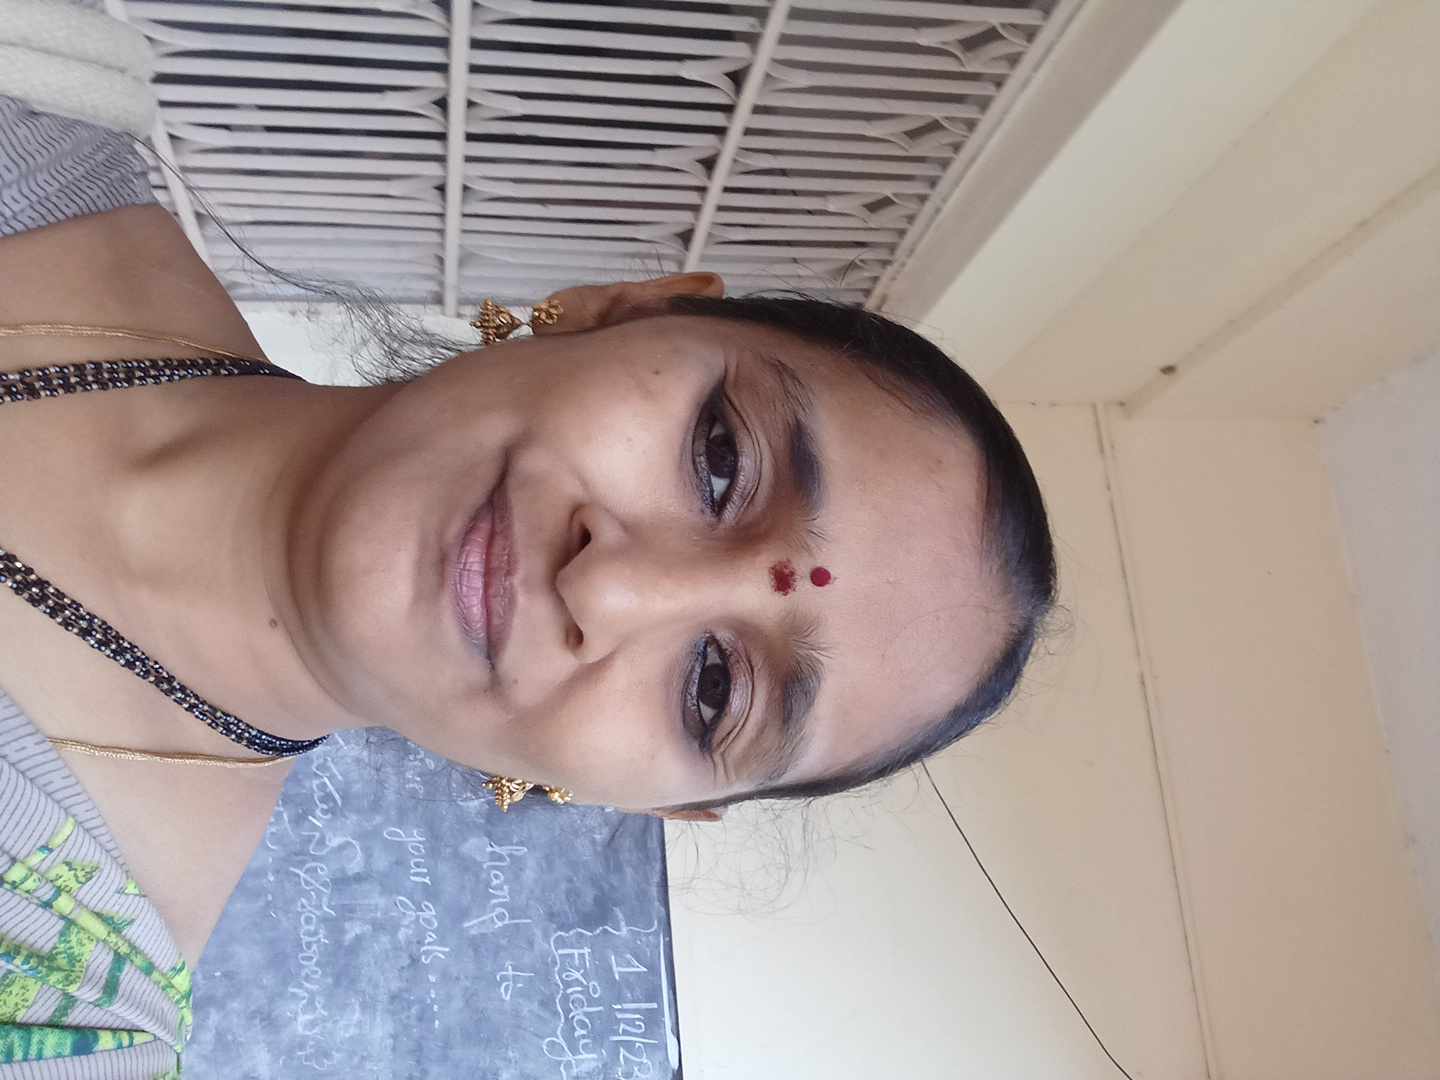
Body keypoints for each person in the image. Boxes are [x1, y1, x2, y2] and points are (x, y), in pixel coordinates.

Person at [0, 3, 1056, 1074]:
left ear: (648, 803)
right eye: (720, 458)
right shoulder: (34, 64)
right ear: (623, 308)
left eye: (713, 690)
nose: (612, 590)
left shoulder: (67, 1014)